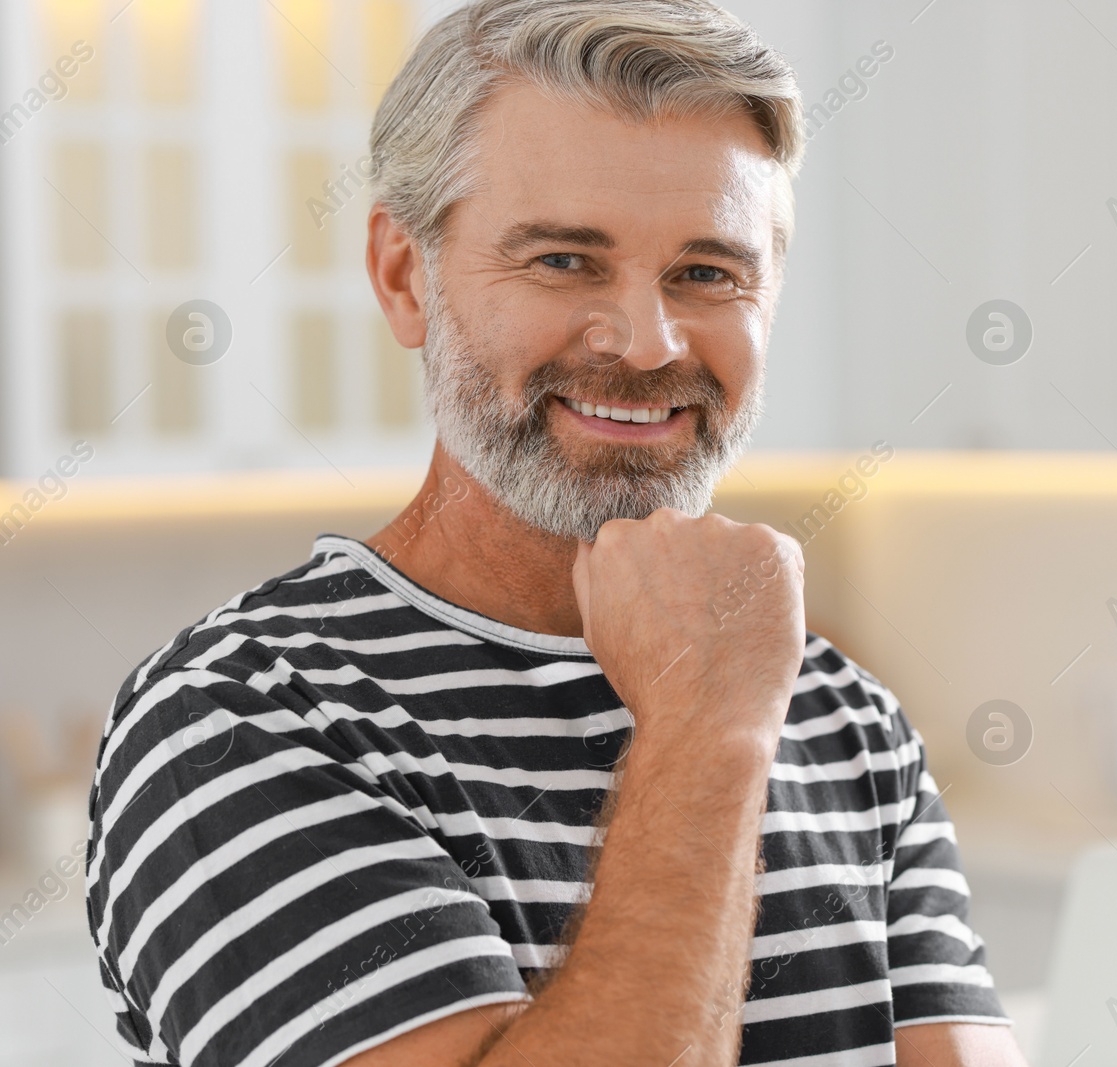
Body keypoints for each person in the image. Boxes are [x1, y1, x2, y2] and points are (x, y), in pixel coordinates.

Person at [86, 2, 1026, 1063]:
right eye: (566, 261)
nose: (644, 340)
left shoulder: (844, 716)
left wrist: (731, 702)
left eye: (707, 272)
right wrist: (704, 734)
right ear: (406, 275)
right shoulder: (240, 720)